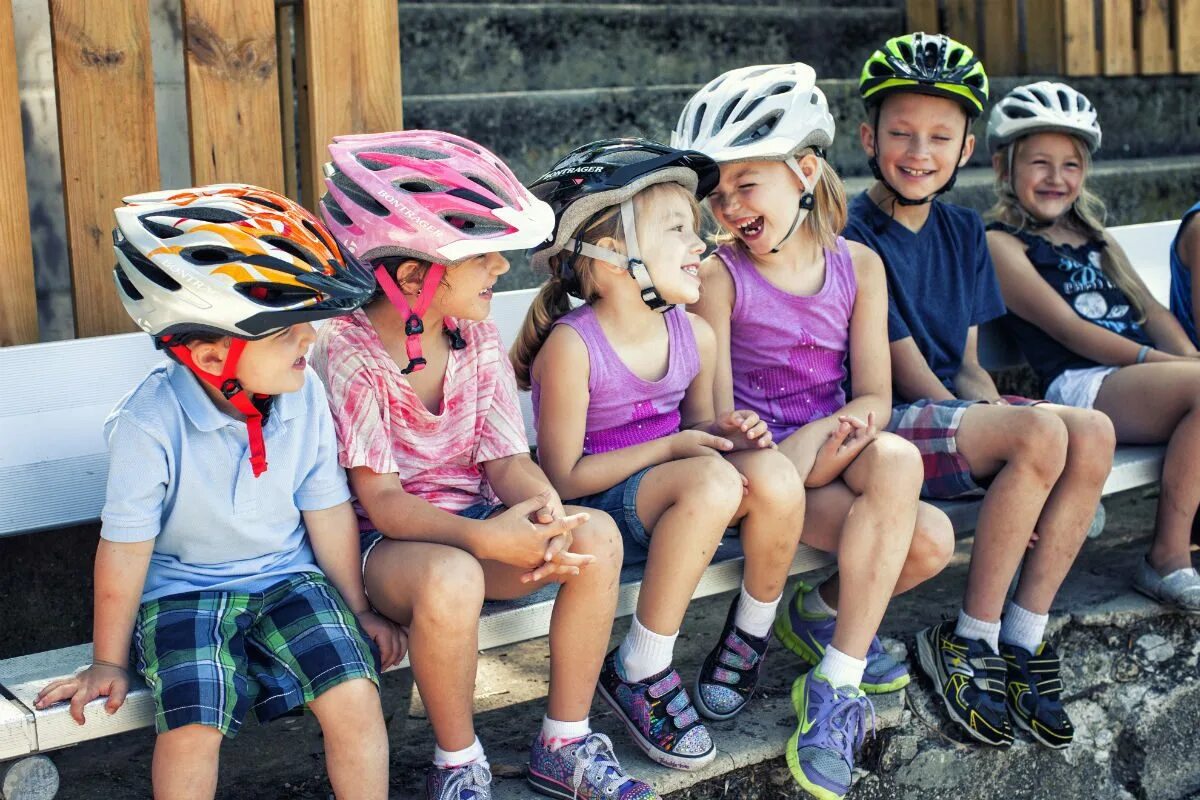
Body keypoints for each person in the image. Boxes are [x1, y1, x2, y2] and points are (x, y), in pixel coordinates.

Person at [312, 130, 657, 800]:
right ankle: (459, 764)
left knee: (595, 537)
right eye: (483, 257)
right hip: (389, 548)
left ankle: (565, 741)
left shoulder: (475, 335)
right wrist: (486, 535)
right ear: (415, 276)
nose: (503, 269)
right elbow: (380, 502)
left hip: (475, 523)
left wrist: (541, 512)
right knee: (453, 575)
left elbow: (504, 459)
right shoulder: (348, 352)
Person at [34, 185, 395, 800]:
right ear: (207, 352)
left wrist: (358, 609)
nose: (308, 341)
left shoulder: (303, 393)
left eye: (307, 325)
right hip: (183, 591)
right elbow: (124, 551)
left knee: (356, 696)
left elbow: (327, 509)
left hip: (289, 578)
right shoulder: (148, 424)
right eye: (285, 331)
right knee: (192, 727)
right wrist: (108, 661)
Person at [674, 62, 952, 798]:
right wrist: (792, 455)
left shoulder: (858, 264)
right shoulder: (722, 277)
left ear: (803, 170)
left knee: (927, 528)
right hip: (764, 484)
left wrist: (819, 439)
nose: (729, 206)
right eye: (719, 192)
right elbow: (720, 424)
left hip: (830, 451)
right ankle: (836, 673)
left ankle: (834, 668)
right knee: (914, 524)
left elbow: (875, 398)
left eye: (746, 183)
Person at [846, 35, 1116, 750]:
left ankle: (1022, 638)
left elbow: (966, 366)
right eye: (901, 133)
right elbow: (911, 375)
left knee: (1089, 433)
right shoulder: (852, 232)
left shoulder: (964, 229)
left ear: (967, 147)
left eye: (940, 136)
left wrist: (1002, 424)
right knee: (1038, 437)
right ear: (868, 137)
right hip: (882, 426)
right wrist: (1009, 442)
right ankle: (967, 638)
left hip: (945, 412)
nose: (918, 151)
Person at [513, 137, 806, 772]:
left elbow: (704, 432)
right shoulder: (573, 348)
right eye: (678, 228)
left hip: (679, 500)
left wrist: (734, 431)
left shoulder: (695, 332)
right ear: (615, 254)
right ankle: (640, 666)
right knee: (711, 482)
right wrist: (676, 446)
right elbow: (561, 477)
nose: (700, 244)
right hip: (602, 516)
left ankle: (750, 633)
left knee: (775, 475)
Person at [985, 80, 1200, 612]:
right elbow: (1067, 328)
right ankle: (1167, 555)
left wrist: (1189, 362)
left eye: (1071, 165)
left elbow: (1152, 313)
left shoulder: (1097, 241)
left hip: (1137, 380)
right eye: (1039, 162)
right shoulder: (1002, 243)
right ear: (1002, 168)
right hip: (1083, 385)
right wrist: (1167, 365)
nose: (1056, 178)